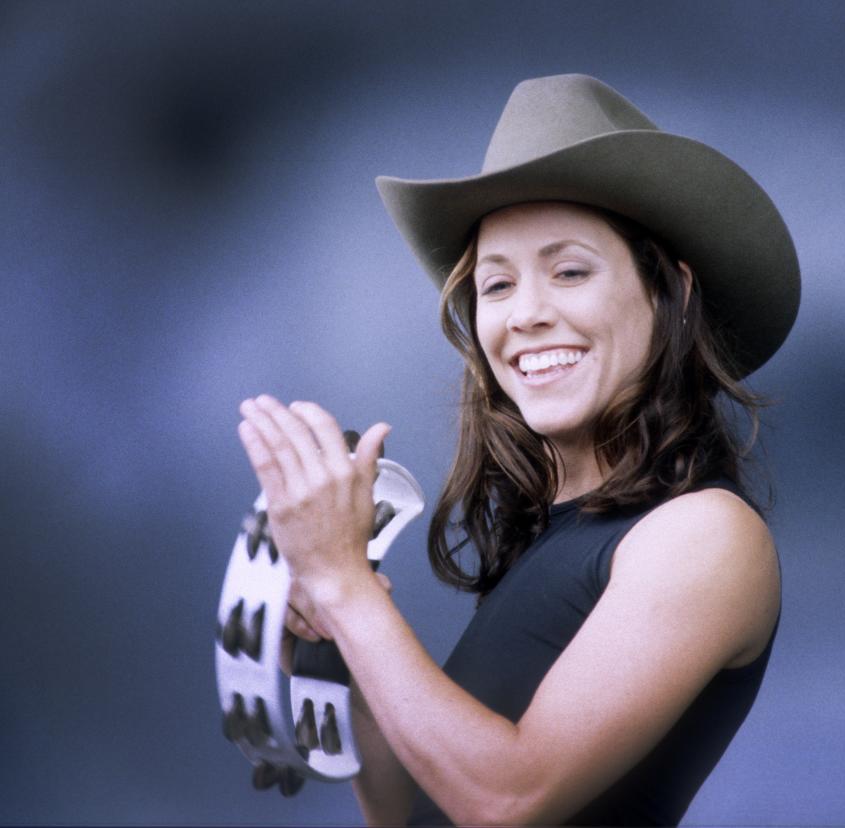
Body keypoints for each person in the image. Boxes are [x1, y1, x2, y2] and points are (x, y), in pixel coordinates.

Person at [236, 74, 800, 826]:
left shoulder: (705, 536)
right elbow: (412, 812)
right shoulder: (551, 539)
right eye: (496, 286)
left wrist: (346, 587)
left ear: (673, 292)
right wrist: (334, 645)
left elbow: (506, 798)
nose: (527, 314)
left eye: (569, 271)